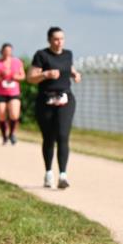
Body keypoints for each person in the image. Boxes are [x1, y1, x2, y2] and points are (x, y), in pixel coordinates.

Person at [27, 27, 81, 189]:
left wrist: (75, 74)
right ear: (49, 40)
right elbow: (30, 78)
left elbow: (68, 68)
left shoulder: (68, 54)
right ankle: (49, 172)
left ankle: (63, 175)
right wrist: (45, 74)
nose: (59, 42)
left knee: (63, 135)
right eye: (56, 39)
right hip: (46, 100)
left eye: (62, 39)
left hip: (65, 99)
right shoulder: (41, 55)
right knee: (49, 138)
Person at [0, 43, 25, 145]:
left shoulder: (17, 62)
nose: (7, 53)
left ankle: (12, 133)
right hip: (0, 92)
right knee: (2, 115)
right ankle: (4, 136)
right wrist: (2, 76)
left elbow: (22, 76)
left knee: (14, 114)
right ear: (2, 51)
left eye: (9, 51)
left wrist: (15, 77)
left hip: (14, 92)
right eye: (5, 51)